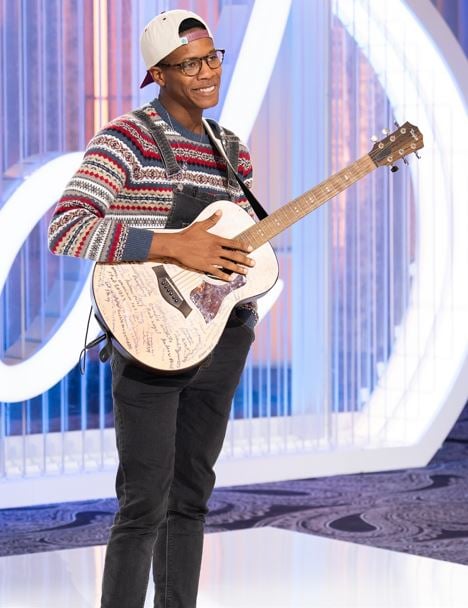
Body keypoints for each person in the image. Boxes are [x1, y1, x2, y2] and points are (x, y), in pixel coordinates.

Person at [48, 9, 258, 608]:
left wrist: (241, 272)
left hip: (220, 335)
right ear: (158, 75)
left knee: (191, 499)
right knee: (143, 504)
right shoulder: (125, 139)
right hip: (147, 339)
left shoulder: (231, 151)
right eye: (189, 64)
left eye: (212, 57)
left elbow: (229, 247)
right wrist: (171, 244)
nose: (207, 72)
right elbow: (68, 227)